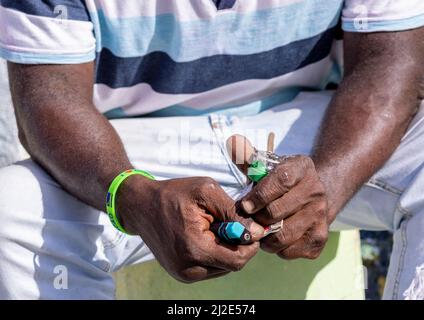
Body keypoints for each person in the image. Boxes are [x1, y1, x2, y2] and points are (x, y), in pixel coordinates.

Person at [0, 0, 423, 300]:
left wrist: (326, 188)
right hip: (130, 153)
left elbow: (389, 65)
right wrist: (133, 196)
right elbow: (49, 98)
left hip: (313, 143)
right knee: (9, 210)